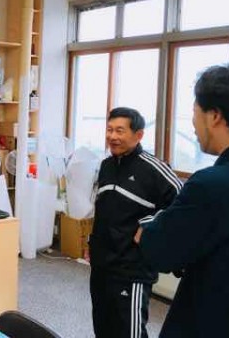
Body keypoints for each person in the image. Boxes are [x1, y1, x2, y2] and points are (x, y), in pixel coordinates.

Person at [135, 63, 229, 337]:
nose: (193, 124)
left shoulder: (213, 184)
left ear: (215, 116)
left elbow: (159, 250)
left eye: (195, 112)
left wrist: (147, 230)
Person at [90, 107, 182, 338]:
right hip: (101, 267)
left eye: (119, 131)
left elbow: (184, 204)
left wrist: (150, 222)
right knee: (103, 328)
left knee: (129, 332)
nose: (112, 136)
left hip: (132, 270)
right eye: (109, 130)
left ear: (138, 135)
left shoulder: (154, 169)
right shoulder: (106, 166)